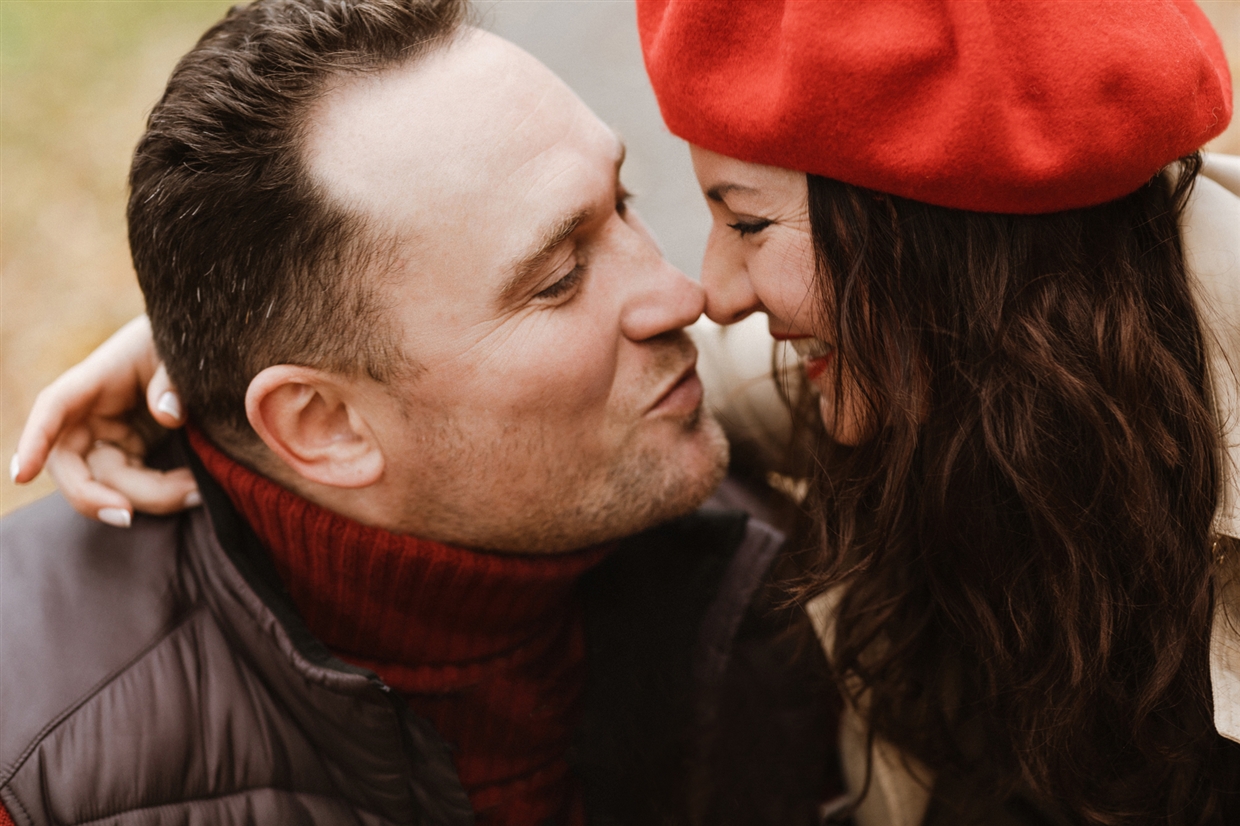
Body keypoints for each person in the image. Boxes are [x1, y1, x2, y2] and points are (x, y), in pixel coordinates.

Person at [0, 1, 838, 824]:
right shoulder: (38, 774)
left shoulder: (768, 552)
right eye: (557, 279)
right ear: (321, 425)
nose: (683, 295)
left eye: (622, 201)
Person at [634, 1, 1238, 825]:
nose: (720, 291)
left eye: (748, 222)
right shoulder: (932, 364)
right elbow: (663, 386)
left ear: (932, 226)